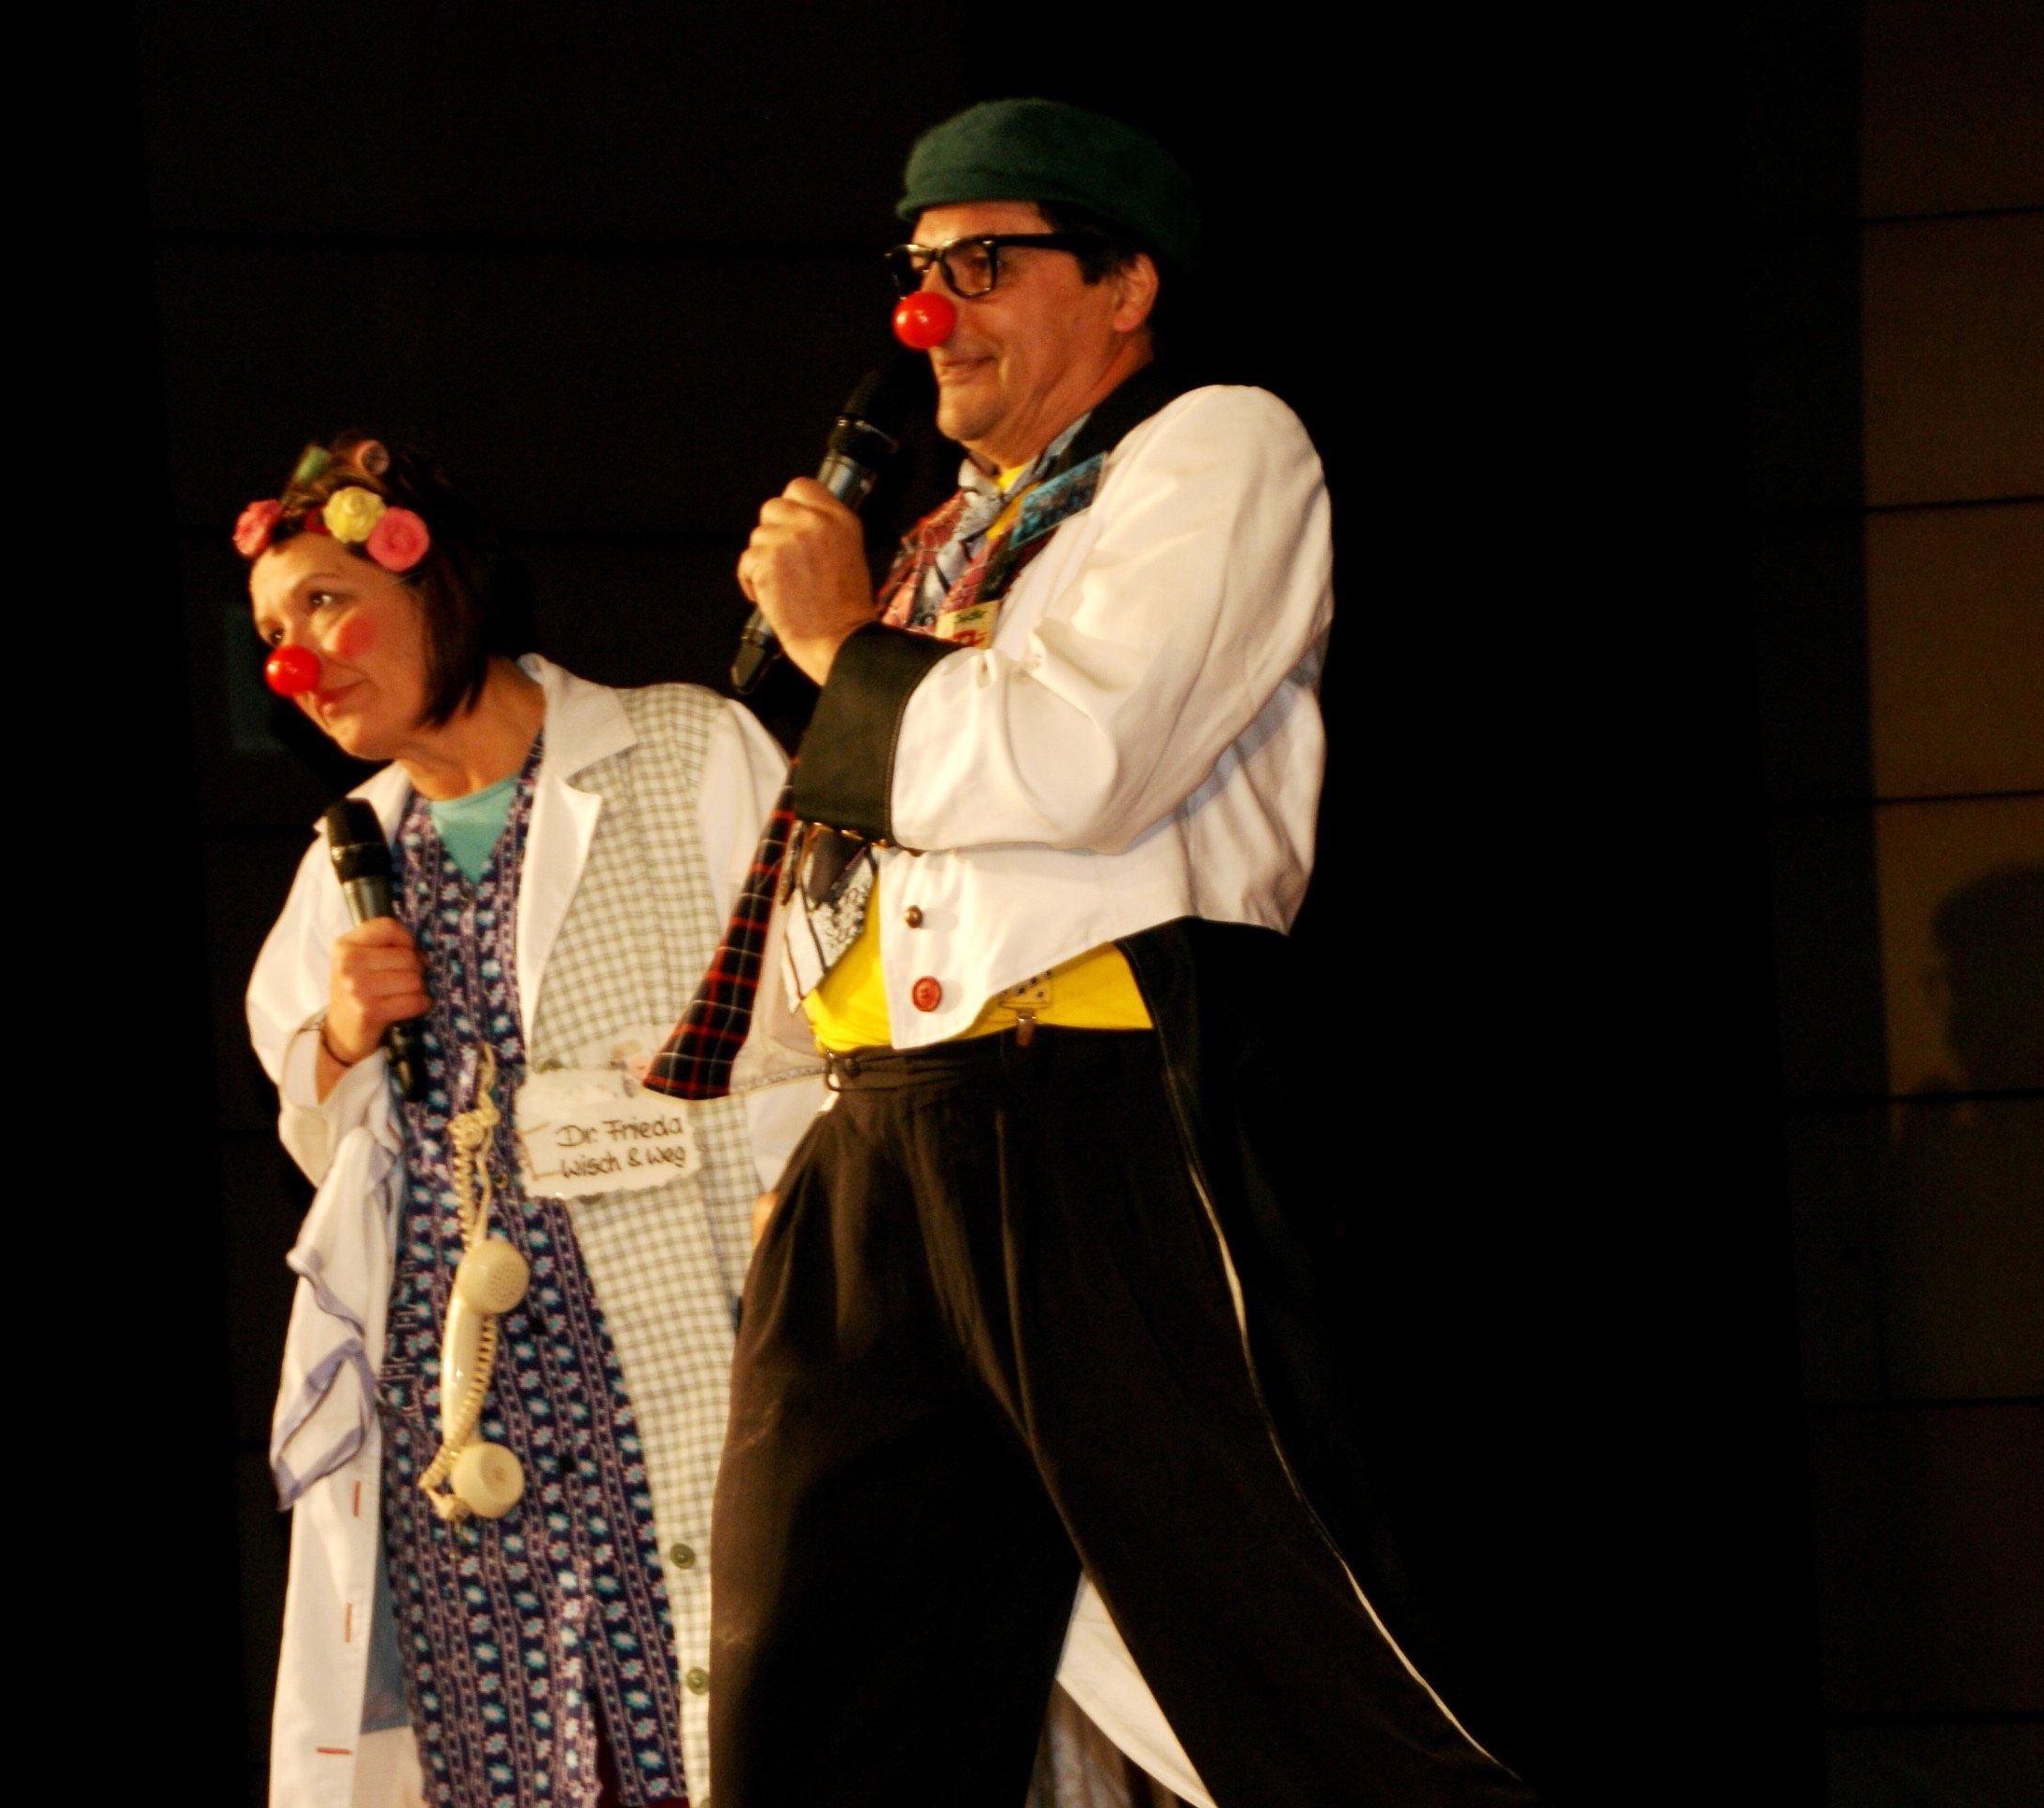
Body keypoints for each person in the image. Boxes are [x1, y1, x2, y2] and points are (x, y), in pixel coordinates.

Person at [648, 100, 1539, 1806]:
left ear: (1126, 285)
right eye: (919, 266)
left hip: (1096, 1109)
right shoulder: (948, 536)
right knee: (812, 1692)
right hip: (881, 1132)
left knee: (1298, 1662)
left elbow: (1078, 762)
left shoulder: (1213, 450)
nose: (931, 310)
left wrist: (840, 644)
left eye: (986, 262)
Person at [245, 434, 816, 1808]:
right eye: (269, 634)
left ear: (435, 579)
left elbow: (823, 1042)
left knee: (750, 1740)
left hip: (695, 1378)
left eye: (323, 603)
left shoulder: (686, 749)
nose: (296, 661)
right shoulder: (346, 860)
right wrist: (340, 1043)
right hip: (474, 1455)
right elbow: (327, 1160)